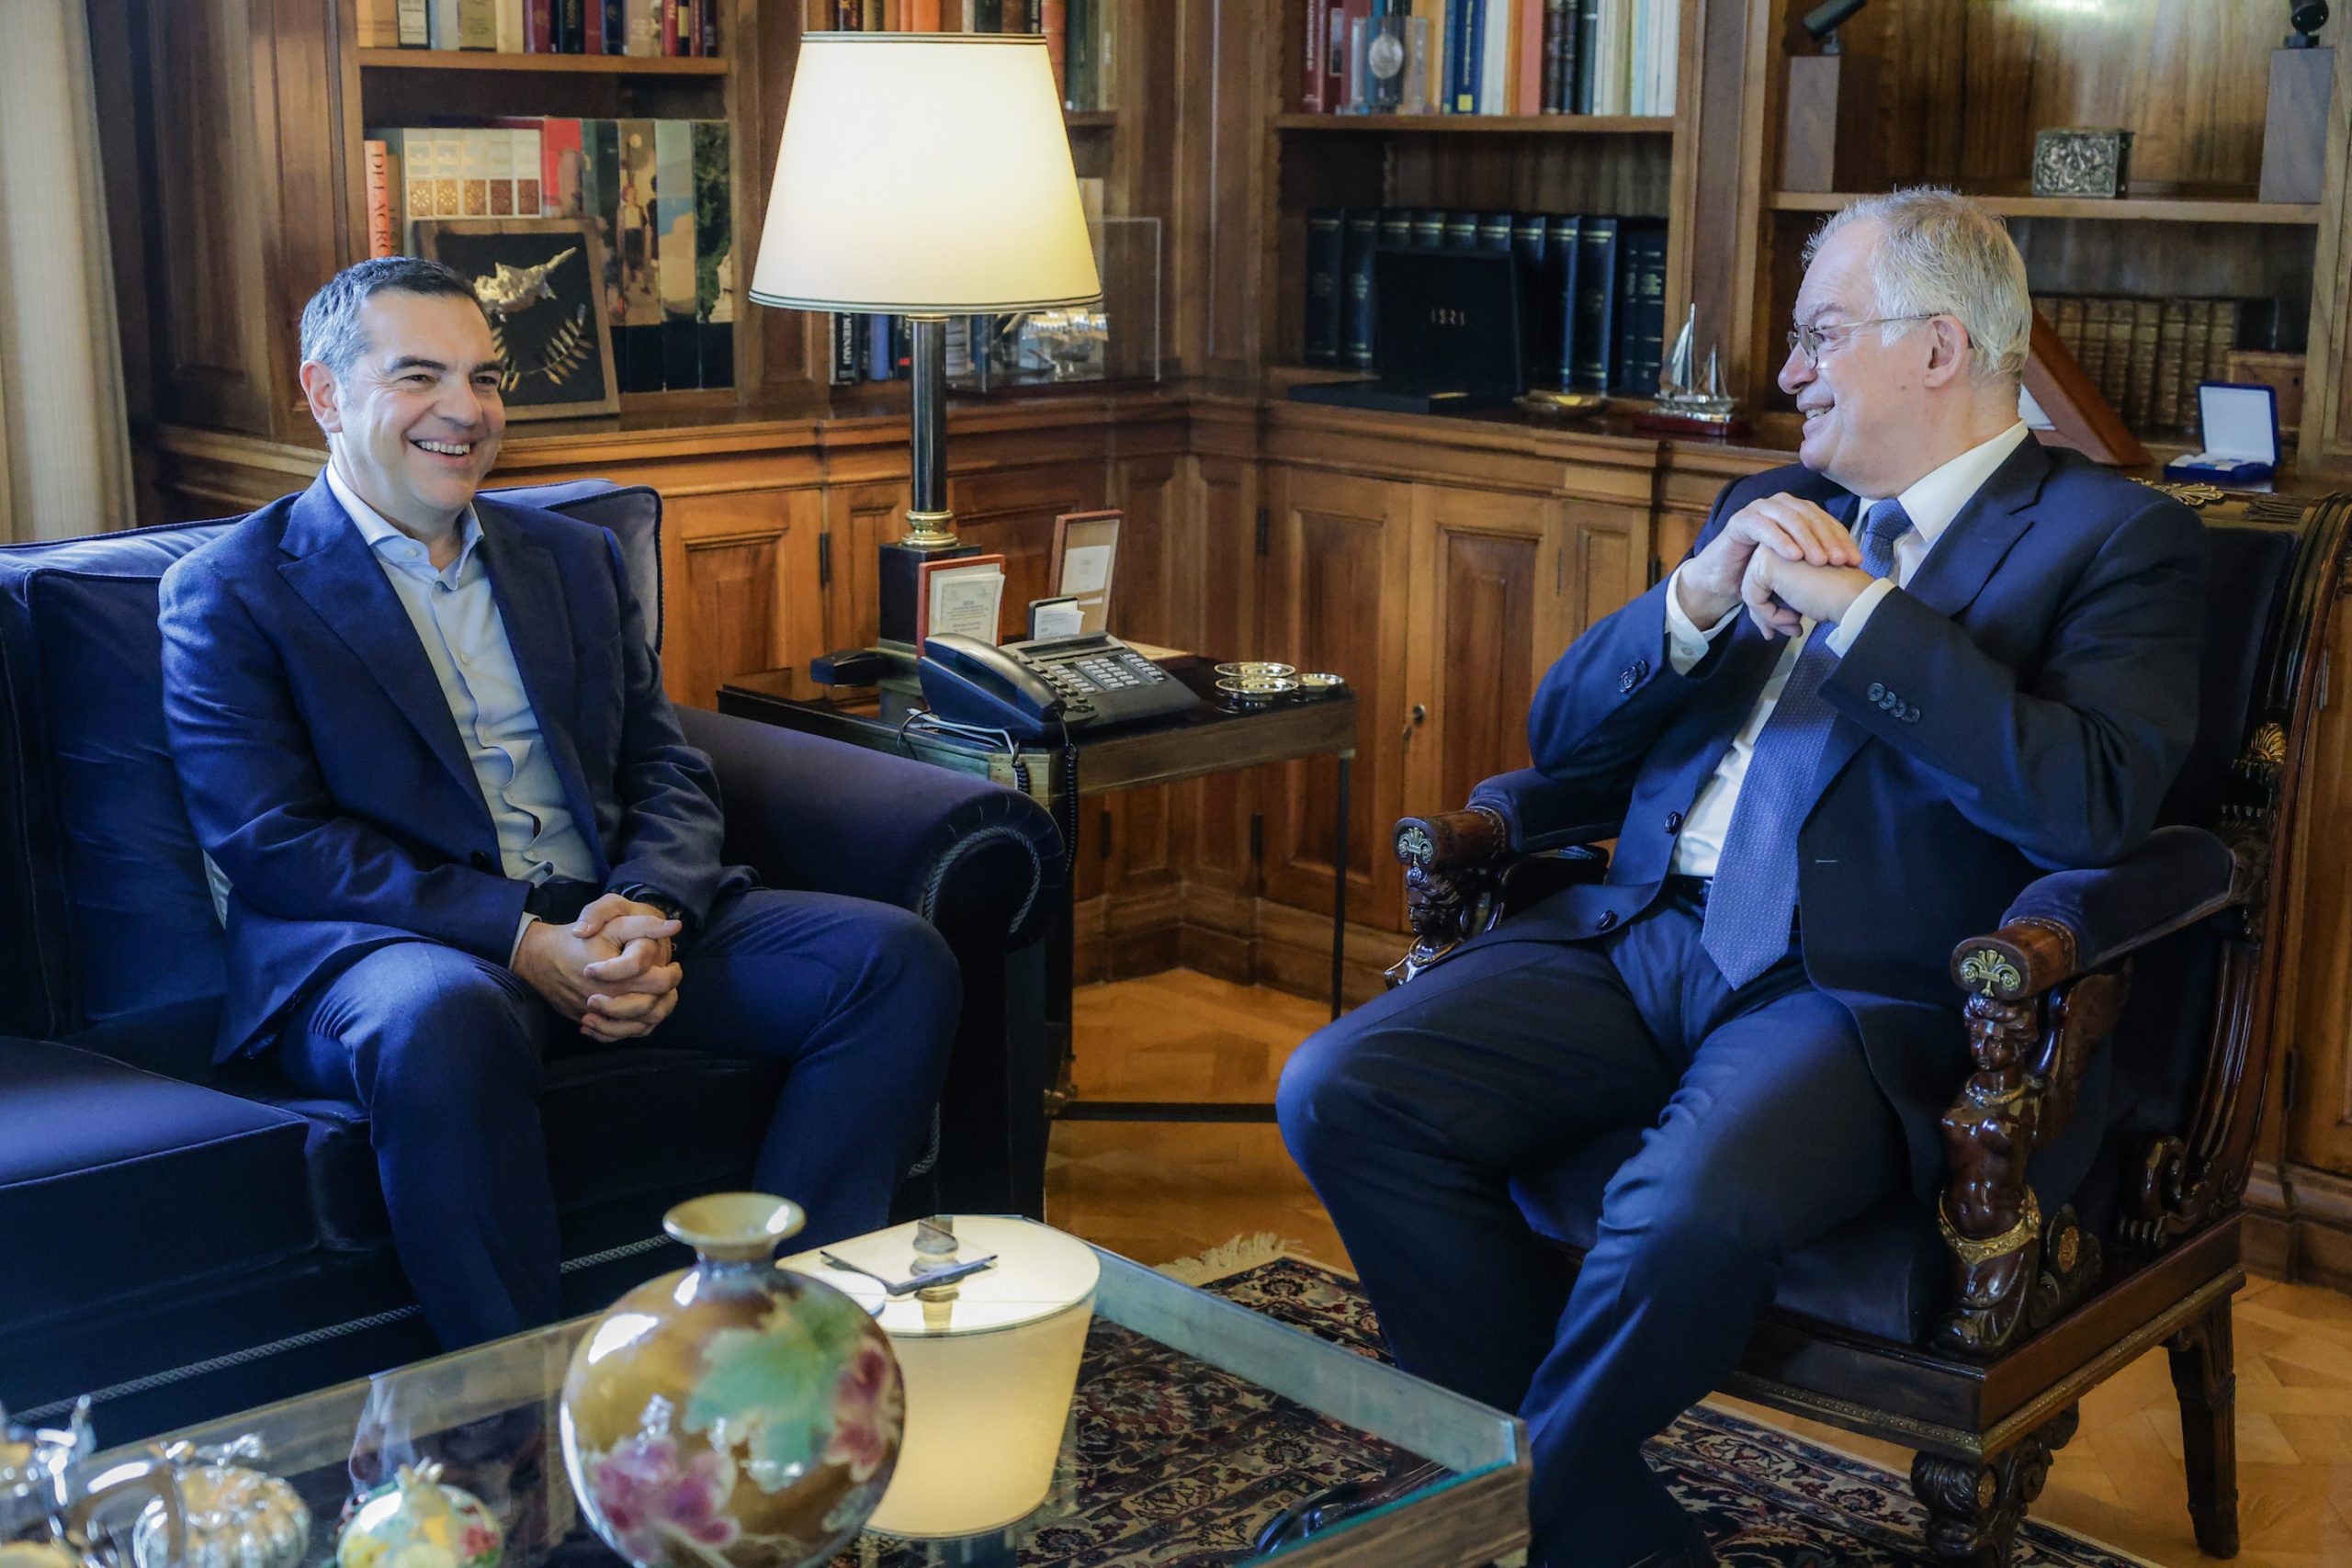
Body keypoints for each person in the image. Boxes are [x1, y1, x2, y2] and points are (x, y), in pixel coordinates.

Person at [1277, 189, 2206, 1568]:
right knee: (1341, 1088)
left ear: (1938, 348)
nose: (1788, 370)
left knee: (1684, 1206)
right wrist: (1695, 601)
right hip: (1644, 931)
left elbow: (2093, 803)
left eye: (1820, 334)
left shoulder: (2114, 539)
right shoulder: (1770, 508)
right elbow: (1564, 745)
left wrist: (1868, 620)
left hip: (1855, 989)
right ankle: (1601, 1525)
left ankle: (1477, 1518)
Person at [158, 256, 960, 1349]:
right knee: (439, 1021)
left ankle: (769, 1347)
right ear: (325, 395)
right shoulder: (230, 591)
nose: (465, 410)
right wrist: (523, 938)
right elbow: (276, 842)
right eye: (419, 376)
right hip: (397, 948)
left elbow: (664, 765)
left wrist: (649, 908)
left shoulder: (572, 557)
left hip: (601, 914)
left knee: (892, 961)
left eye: (485, 378)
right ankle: (522, 1406)